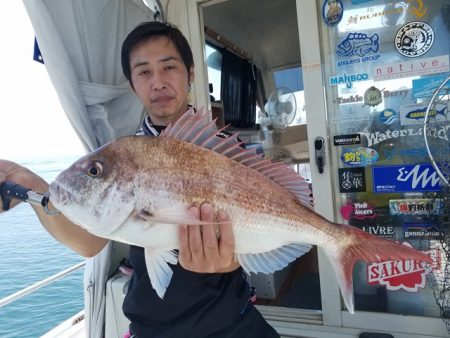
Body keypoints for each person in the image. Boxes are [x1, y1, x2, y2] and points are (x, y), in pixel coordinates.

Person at [0, 21, 279, 338]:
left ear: (190, 74)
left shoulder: (229, 151)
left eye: (168, 67)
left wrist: (227, 260)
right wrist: (29, 184)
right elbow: (89, 242)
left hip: (230, 321)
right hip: (153, 327)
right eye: (144, 72)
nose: (157, 82)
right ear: (132, 84)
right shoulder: (124, 157)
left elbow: (253, 238)